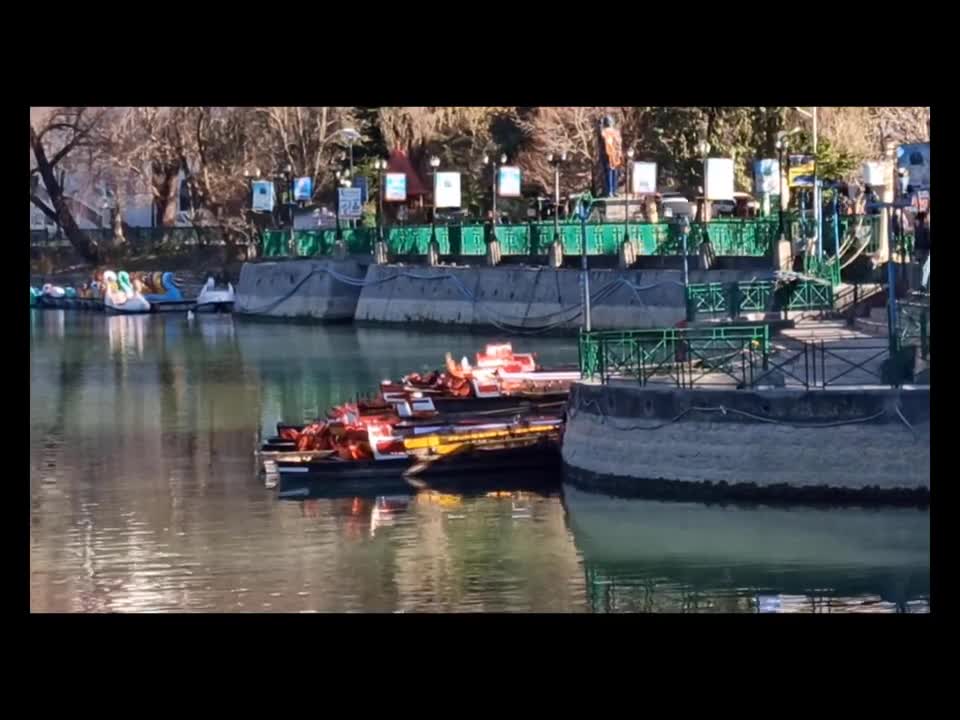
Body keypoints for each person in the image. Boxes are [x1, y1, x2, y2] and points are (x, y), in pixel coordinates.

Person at [598, 116, 623, 197]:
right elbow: (619, 143)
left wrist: (600, 126)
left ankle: (611, 191)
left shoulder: (605, 132)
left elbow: (618, 143)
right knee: (613, 173)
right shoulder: (615, 132)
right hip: (611, 155)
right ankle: (612, 191)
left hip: (609, 155)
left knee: (610, 173)